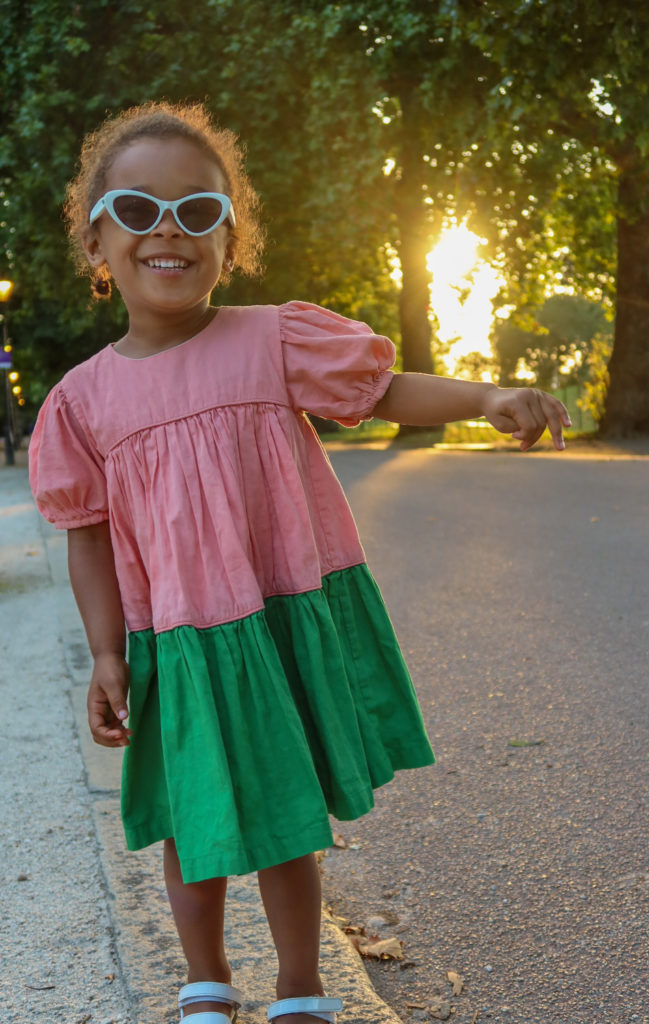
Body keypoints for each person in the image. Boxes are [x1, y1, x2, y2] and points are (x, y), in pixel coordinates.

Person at [29, 101, 570, 1024]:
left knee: (285, 814)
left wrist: (486, 394)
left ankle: (300, 984)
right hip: (178, 642)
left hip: (272, 614)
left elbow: (382, 387)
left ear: (231, 242)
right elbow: (87, 534)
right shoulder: (81, 403)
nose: (169, 230)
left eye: (199, 213)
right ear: (95, 242)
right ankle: (204, 979)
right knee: (188, 817)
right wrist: (109, 655)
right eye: (138, 209)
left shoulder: (272, 338)